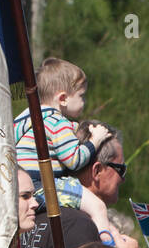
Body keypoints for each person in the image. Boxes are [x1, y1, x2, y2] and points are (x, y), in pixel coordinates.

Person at [12, 57, 115, 236]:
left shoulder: (24, 118)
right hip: (45, 185)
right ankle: (106, 244)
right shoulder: (58, 122)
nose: (84, 102)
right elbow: (74, 160)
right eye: (81, 96)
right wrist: (95, 140)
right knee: (98, 207)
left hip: (21, 187)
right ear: (63, 98)